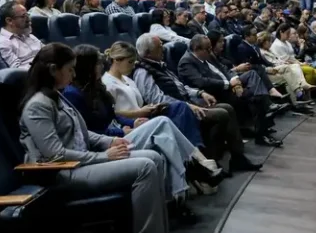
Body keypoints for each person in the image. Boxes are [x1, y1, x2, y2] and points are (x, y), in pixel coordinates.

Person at [19, 43, 176, 233]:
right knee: (145, 167)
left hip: (80, 163)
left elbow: (83, 133)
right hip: (62, 173)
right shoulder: (37, 105)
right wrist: (104, 156)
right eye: (70, 69)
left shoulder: (57, 96)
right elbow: (55, 154)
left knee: (154, 157)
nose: (74, 74)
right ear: (53, 70)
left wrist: (110, 140)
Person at [64, 44, 212, 216]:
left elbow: (114, 116)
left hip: (119, 133)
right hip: (107, 145)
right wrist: (121, 132)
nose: (101, 66)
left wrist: (133, 123)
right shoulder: (73, 94)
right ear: (87, 66)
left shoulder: (96, 87)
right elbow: (88, 132)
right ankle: (193, 164)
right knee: (162, 123)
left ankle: (177, 197)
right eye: (97, 63)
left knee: (164, 140)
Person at [133, 34, 261, 171]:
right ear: (148, 53)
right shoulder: (143, 72)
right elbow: (157, 100)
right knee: (221, 114)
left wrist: (200, 93)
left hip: (187, 103)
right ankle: (211, 162)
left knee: (227, 108)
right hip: (175, 112)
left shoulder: (160, 66)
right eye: (159, 47)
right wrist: (188, 105)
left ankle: (237, 158)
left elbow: (181, 87)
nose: (163, 48)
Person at [102, 42, 216, 164]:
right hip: (130, 123)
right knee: (177, 113)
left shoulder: (127, 79)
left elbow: (138, 104)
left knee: (180, 108)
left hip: (142, 117)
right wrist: (138, 113)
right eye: (130, 62)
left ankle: (196, 152)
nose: (133, 66)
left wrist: (149, 108)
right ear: (117, 60)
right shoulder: (107, 83)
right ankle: (195, 155)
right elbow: (112, 114)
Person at [178, 35, 282, 147]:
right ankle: (263, 129)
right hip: (215, 93)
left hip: (229, 85)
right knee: (256, 96)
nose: (210, 51)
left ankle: (264, 119)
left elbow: (224, 69)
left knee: (252, 74)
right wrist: (228, 84)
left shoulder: (206, 55)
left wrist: (234, 81)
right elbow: (201, 82)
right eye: (207, 49)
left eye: (210, 48)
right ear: (196, 49)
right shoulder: (186, 62)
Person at [0, 1, 42, 68]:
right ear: (9, 21)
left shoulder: (29, 35)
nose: (29, 19)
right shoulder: (2, 42)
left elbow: (46, 52)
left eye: (27, 15)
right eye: (23, 16)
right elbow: (17, 69)